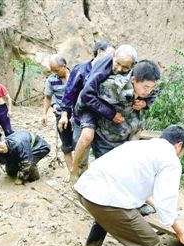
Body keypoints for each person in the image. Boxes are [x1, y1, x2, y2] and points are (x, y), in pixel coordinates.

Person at [74, 125, 184, 246]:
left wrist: (155, 206)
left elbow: (137, 185)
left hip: (85, 190)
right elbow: (166, 202)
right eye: (183, 151)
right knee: (151, 244)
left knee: (104, 217)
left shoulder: (140, 145)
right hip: (103, 202)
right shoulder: (171, 159)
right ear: (179, 146)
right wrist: (180, 232)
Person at [63, 45, 139, 179]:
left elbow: (149, 83)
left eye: (125, 67)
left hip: (107, 103)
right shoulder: (102, 68)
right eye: (118, 64)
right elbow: (87, 95)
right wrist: (111, 114)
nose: (120, 69)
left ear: (133, 65)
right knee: (87, 136)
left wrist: (145, 102)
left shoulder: (135, 70)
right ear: (113, 56)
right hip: (89, 105)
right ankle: (74, 171)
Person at [58, 41, 115, 172]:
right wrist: (64, 115)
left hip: (104, 121)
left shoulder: (111, 72)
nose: (113, 58)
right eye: (111, 54)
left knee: (103, 156)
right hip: (81, 120)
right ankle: (79, 181)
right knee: (82, 155)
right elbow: (69, 93)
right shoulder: (81, 69)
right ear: (100, 52)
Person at [41, 54, 73, 171]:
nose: (54, 72)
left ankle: (82, 170)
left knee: (81, 142)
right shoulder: (51, 79)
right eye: (52, 70)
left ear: (64, 66)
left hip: (78, 115)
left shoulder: (76, 75)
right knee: (66, 146)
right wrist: (44, 114)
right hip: (61, 115)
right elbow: (48, 97)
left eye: (56, 70)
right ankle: (72, 173)